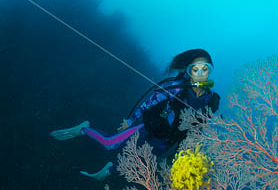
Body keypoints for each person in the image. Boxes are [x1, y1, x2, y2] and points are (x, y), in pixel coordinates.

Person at [50, 48, 220, 180]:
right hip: (146, 127)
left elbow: (199, 127)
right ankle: (83, 129)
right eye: (194, 69)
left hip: (166, 140)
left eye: (204, 69)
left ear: (209, 72)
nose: (199, 74)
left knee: (142, 165)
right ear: (188, 71)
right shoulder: (176, 87)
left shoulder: (210, 99)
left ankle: (107, 170)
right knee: (110, 144)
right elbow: (150, 102)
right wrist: (130, 121)